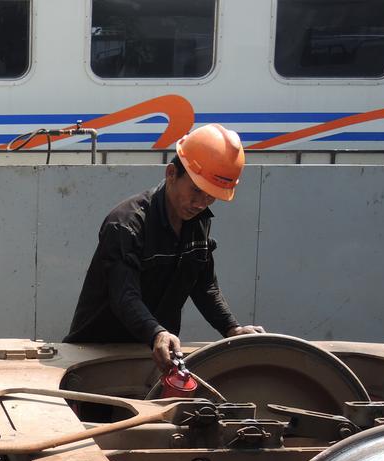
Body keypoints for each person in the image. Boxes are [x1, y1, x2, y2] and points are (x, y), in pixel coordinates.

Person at [63, 123, 264, 371]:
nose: (201, 203)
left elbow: (204, 286)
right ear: (171, 174)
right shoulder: (126, 224)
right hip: (98, 354)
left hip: (156, 352)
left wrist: (231, 328)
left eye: (211, 196)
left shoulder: (196, 223)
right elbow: (124, 295)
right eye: (197, 191)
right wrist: (157, 332)